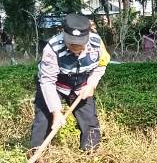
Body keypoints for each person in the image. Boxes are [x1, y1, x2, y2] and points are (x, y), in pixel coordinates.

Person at [30, 13, 110, 151]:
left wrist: (92, 84)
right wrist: (56, 112)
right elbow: (47, 81)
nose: (75, 47)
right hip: (54, 84)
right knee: (43, 120)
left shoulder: (97, 43)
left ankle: (90, 156)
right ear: (64, 35)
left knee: (89, 121)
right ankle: (37, 157)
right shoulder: (52, 48)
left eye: (79, 44)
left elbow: (101, 65)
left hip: (81, 84)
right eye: (71, 44)